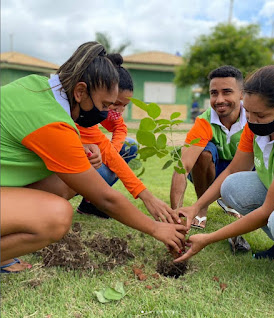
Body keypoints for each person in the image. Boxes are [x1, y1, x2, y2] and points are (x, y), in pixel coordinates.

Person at [0, 41, 186, 273]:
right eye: (105, 105)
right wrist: (155, 228)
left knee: (71, 178)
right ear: (80, 92)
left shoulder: (37, 85)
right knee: (57, 216)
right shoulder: (53, 123)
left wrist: (81, 144)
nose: (107, 113)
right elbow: (105, 198)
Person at [175, 65, 274, 297]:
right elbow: (233, 170)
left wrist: (209, 238)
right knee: (235, 186)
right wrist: (197, 206)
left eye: (260, 115)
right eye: (248, 112)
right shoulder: (258, 123)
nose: (251, 120)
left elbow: (267, 211)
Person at [75, 53, 176, 222]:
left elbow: (120, 128)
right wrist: (147, 198)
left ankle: (91, 204)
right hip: (65, 170)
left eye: (125, 106)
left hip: (89, 157)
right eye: (113, 104)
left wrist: (112, 150)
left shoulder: (100, 112)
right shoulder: (85, 116)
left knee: (129, 146)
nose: (119, 110)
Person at [170, 65, 246, 229]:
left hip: (242, 171)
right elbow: (183, 166)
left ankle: (230, 203)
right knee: (203, 153)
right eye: (214, 93)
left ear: (241, 94)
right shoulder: (204, 121)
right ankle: (201, 209)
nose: (219, 100)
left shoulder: (255, 119)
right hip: (211, 171)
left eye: (227, 92)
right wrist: (175, 214)